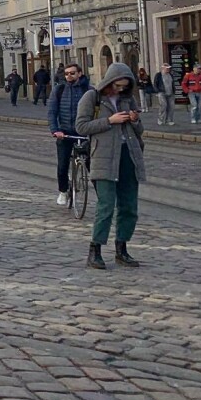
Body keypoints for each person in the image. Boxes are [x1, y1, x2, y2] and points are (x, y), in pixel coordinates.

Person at [75, 62, 145, 269]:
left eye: (124, 86)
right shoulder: (92, 97)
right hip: (103, 158)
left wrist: (134, 120)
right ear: (109, 82)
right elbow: (81, 126)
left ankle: (121, 249)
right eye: (117, 85)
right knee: (106, 206)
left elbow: (139, 130)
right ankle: (95, 250)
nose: (120, 89)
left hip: (128, 156)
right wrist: (110, 120)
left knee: (129, 206)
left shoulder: (128, 99)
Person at [48, 63, 91, 206]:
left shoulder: (88, 90)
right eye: (66, 74)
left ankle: (103, 196)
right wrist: (55, 130)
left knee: (93, 165)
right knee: (62, 165)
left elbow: (96, 110)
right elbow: (52, 112)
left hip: (83, 131)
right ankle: (63, 191)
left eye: (72, 73)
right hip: (64, 132)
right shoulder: (59, 90)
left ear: (79, 73)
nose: (69, 76)